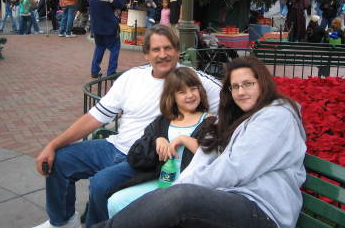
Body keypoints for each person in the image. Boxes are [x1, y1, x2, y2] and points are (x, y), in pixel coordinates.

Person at [31, 24, 221, 228]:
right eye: (156, 49)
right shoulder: (132, 77)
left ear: (177, 51)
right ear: (146, 54)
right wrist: (53, 145)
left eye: (168, 48)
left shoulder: (194, 80)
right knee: (61, 160)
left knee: (101, 184)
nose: (163, 54)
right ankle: (62, 222)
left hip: (146, 158)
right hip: (114, 146)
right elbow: (95, 116)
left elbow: (235, 101)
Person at [93, 56, 306, 228]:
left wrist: (177, 190)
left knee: (182, 198)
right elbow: (204, 156)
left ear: (263, 83)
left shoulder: (276, 117)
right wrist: (177, 186)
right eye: (235, 87)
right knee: (173, 197)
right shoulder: (235, 118)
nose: (241, 92)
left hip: (263, 211)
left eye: (248, 84)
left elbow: (235, 169)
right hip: (231, 199)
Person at [107, 67, 211, 217]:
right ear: (172, 97)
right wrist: (158, 139)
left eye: (193, 89)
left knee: (159, 212)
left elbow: (211, 153)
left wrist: (183, 139)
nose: (190, 95)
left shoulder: (208, 120)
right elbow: (140, 149)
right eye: (182, 92)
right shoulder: (163, 121)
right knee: (116, 201)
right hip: (161, 181)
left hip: (187, 186)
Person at [87, 0, 126, 78]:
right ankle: (111, 72)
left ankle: (95, 70)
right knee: (114, 47)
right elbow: (120, 5)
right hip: (109, 25)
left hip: (96, 25)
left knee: (99, 47)